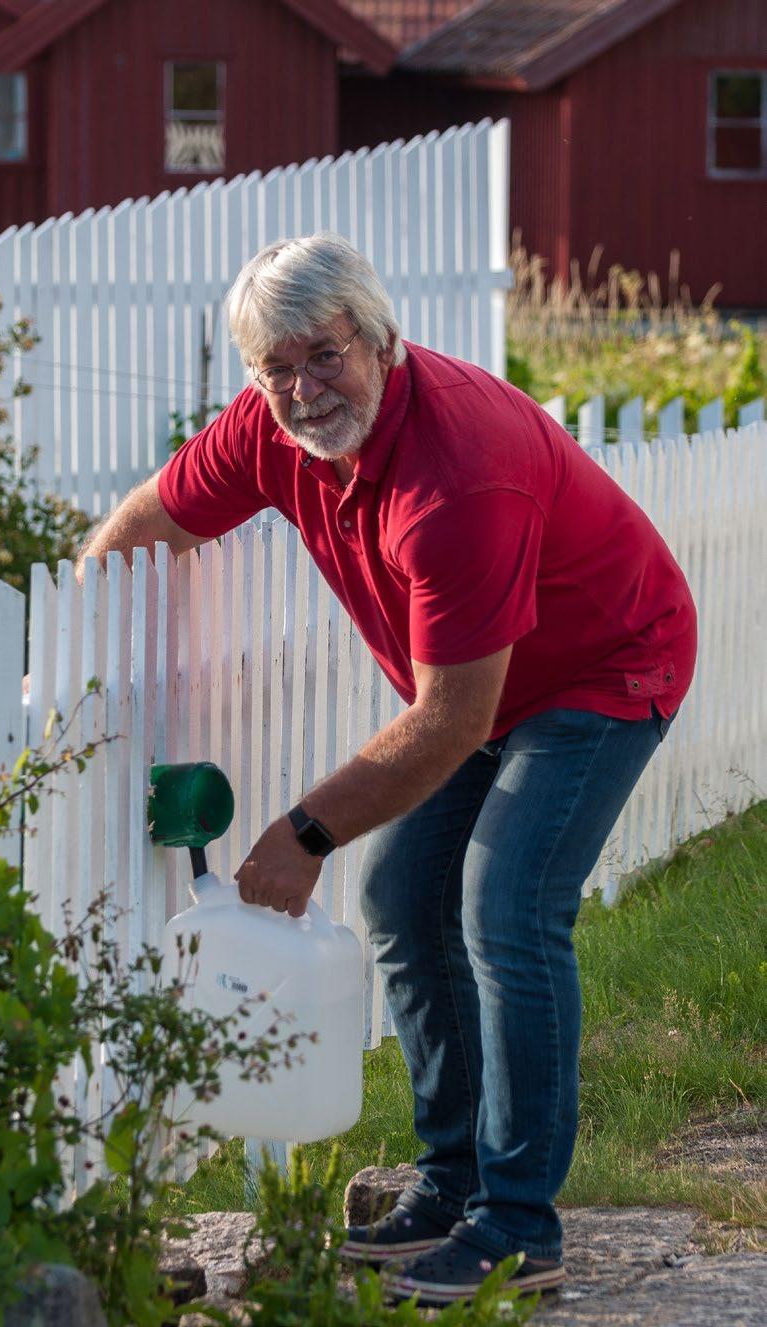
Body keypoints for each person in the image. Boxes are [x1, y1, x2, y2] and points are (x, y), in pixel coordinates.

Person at [76, 233, 697, 1306]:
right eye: (277, 369)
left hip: (604, 664)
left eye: (325, 356)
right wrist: (75, 660)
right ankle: (448, 1182)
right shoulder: (265, 430)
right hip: (486, 682)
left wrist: (305, 829)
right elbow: (140, 532)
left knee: (506, 908)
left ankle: (515, 1224)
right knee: (404, 901)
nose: (304, 390)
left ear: (378, 338)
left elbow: (453, 717)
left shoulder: (459, 473)